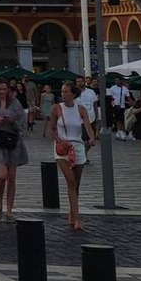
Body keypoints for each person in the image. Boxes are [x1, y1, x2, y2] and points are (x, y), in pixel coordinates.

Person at [49, 84, 94, 232]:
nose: (64, 94)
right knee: (71, 180)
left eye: (67, 92)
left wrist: (92, 138)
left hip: (78, 147)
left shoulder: (80, 109)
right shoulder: (56, 108)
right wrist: (59, 140)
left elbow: (87, 126)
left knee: (76, 183)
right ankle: (77, 218)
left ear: (74, 94)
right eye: (62, 91)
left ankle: (72, 211)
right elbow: (52, 129)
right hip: (62, 149)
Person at [0, 79, 28, 221]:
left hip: (12, 140)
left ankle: (9, 209)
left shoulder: (15, 103)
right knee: (2, 175)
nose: (2, 92)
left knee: (12, 177)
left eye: (4, 89)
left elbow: (22, 123)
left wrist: (12, 122)